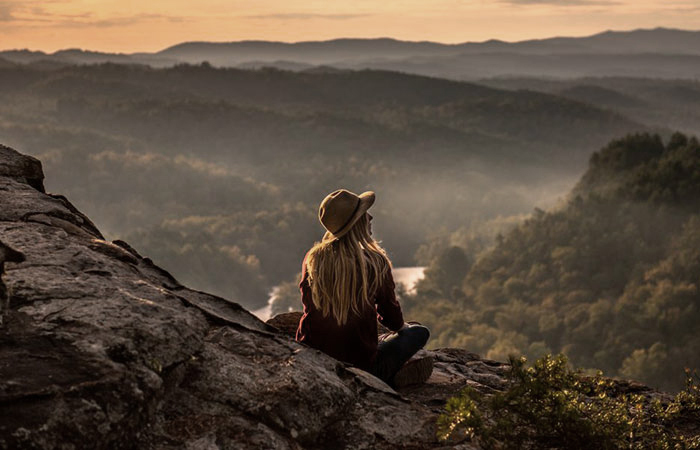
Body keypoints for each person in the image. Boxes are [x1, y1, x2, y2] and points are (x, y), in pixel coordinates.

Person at [295, 189, 432, 387]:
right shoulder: (375, 262)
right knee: (418, 332)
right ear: (357, 223)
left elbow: (308, 303)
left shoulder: (313, 259)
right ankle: (392, 376)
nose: (370, 217)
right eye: (364, 214)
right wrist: (402, 328)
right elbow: (390, 314)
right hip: (361, 368)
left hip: (312, 357)